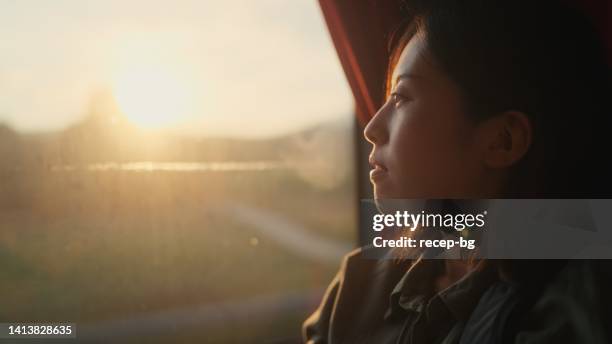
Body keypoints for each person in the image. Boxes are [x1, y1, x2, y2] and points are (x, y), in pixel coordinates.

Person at [303, 0, 612, 343]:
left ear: (502, 141)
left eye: (402, 97)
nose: (372, 127)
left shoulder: (577, 309)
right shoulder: (358, 285)